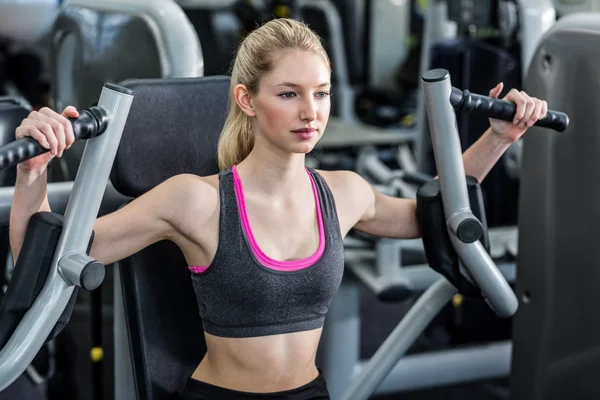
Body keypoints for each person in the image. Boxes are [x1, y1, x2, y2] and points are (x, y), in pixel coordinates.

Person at [9, 18, 548, 400]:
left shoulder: (343, 192)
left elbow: (436, 215)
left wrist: (499, 138)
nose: (310, 112)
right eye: (289, 94)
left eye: (322, 93)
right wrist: (31, 173)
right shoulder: (194, 200)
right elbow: (52, 259)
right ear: (247, 99)